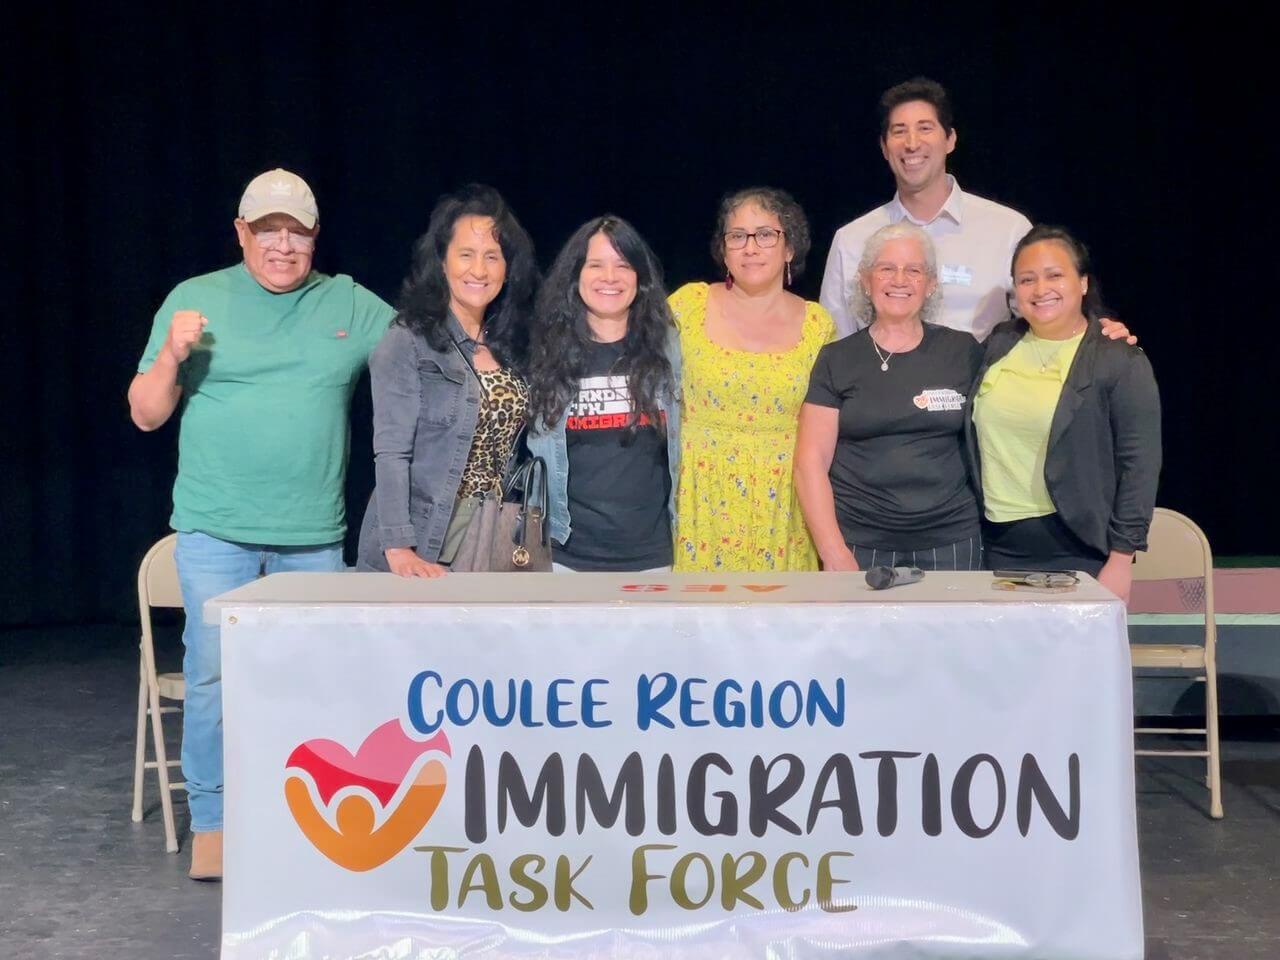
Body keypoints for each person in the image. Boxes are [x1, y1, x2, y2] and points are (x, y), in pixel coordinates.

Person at [128, 168, 395, 879]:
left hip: (313, 537)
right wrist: (172, 355)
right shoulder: (196, 300)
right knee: (215, 678)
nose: (283, 246)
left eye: (297, 232)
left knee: (323, 680)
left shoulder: (348, 303)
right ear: (241, 232)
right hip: (217, 532)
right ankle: (214, 821)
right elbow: (147, 413)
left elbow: (425, 359)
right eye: (267, 230)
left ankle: (310, 817)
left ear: (315, 237)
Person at [970, 225, 1161, 601]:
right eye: (1027, 279)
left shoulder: (1118, 359)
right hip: (998, 549)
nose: (1041, 290)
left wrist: (1121, 560)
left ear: (1083, 283)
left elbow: (1139, 466)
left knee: (1077, 662)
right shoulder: (998, 344)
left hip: (1081, 551)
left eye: (1055, 275)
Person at [356, 185, 538, 576]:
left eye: (492, 256)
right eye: (466, 255)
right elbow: (391, 453)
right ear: (442, 262)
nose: (479, 270)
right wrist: (399, 547)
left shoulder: (513, 346)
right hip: (424, 540)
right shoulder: (407, 340)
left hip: (492, 538)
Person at [796, 223, 984, 571]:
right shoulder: (836, 359)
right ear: (866, 281)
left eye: (913, 270)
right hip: (859, 545)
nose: (900, 280)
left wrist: (1102, 330)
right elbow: (810, 463)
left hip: (953, 540)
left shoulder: (964, 352)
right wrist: (833, 551)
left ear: (930, 285)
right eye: (886, 269)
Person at [669, 187, 835, 572]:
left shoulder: (818, 325)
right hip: (699, 499)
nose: (750, 247)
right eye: (737, 236)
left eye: (765, 235)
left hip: (784, 503)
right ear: (723, 251)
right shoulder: (687, 306)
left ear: (789, 248)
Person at [820, 77, 1032, 341]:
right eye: (899, 131)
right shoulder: (851, 239)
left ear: (950, 139)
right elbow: (835, 343)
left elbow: (1045, 321)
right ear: (884, 148)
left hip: (981, 380)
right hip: (881, 381)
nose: (912, 143)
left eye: (925, 128)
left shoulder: (1008, 229)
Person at [525, 216, 681, 572]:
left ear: (639, 277)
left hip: (653, 559)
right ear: (575, 274)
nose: (610, 277)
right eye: (596, 265)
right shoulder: (545, 352)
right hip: (565, 559)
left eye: (623, 266)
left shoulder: (668, 348)